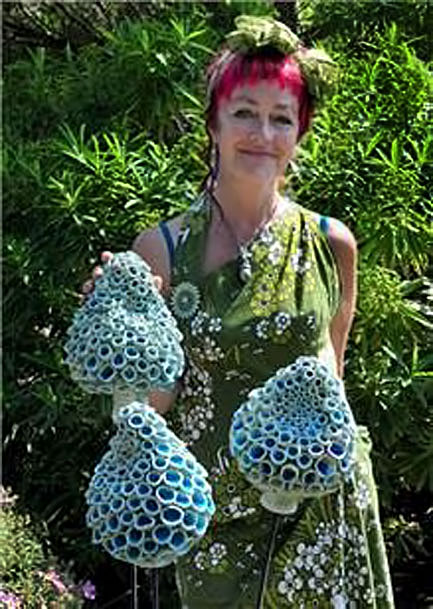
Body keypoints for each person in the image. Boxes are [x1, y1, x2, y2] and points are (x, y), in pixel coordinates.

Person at [83, 16, 395, 609]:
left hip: (321, 506)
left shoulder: (333, 244)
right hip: (211, 513)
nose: (263, 133)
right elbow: (152, 404)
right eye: (245, 112)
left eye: (282, 118)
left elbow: (332, 378)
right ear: (214, 123)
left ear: (299, 135)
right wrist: (117, 324)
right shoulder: (164, 248)